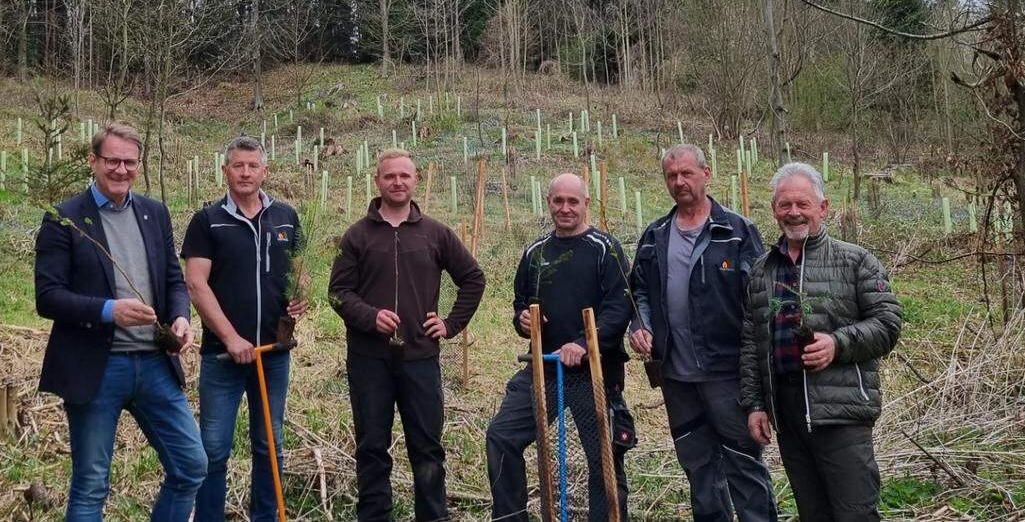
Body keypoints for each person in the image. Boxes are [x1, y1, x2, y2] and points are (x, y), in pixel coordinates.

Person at [34, 122, 206, 522]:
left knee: (191, 465)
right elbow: (48, 297)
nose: (121, 170)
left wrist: (181, 317)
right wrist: (110, 309)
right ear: (93, 161)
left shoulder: (154, 213)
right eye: (112, 160)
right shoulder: (65, 218)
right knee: (91, 484)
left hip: (154, 365)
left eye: (130, 162)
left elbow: (172, 279)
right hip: (97, 367)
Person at [328, 148, 486, 521]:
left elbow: (473, 279)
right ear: (377, 181)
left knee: (427, 449)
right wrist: (369, 317)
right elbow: (337, 292)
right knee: (371, 448)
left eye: (404, 176)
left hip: (420, 359)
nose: (397, 182)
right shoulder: (357, 236)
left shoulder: (436, 234)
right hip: (369, 362)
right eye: (389, 176)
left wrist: (450, 324)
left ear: (415, 181)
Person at [741, 162, 902, 522]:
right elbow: (753, 343)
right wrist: (755, 404)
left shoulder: (855, 261)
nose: (793, 213)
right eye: (785, 205)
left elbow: (888, 323)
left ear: (823, 208)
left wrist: (837, 343)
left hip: (841, 410)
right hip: (788, 412)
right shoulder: (761, 271)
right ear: (774, 210)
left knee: (854, 514)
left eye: (803, 204)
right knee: (813, 513)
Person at [628, 144, 778, 521]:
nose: (679, 182)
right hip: (676, 377)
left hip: (726, 374)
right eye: (671, 176)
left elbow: (760, 301)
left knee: (744, 464)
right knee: (698, 466)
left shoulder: (737, 231)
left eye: (686, 173)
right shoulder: (655, 235)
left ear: (706, 174)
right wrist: (641, 325)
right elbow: (639, 292)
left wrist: (758, 373)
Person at [485, 173, 633, 522]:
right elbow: (520, 303)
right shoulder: (536, 253)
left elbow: (618, 309)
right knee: (501, 436)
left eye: (573, 202)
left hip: (594, 373)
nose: (565, 208)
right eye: (558, 201)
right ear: (548, 202)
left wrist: (583, 344)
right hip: (544, 369)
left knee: (604, 460)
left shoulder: (605, 249)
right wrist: (522, 319)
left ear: (586, 204)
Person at [181, 136, 310, 522]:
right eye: (238, 165)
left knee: (270, 445)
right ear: (225, 171)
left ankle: (265, 517)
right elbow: (196, 285)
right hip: (222, 358)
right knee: (214, 448)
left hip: (274, 355)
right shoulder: (207, 221)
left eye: (253, 166)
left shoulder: (286, 216)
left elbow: (300, 270)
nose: (245, 173)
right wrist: (231, 338)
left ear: (265, 171)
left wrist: (300, 297)